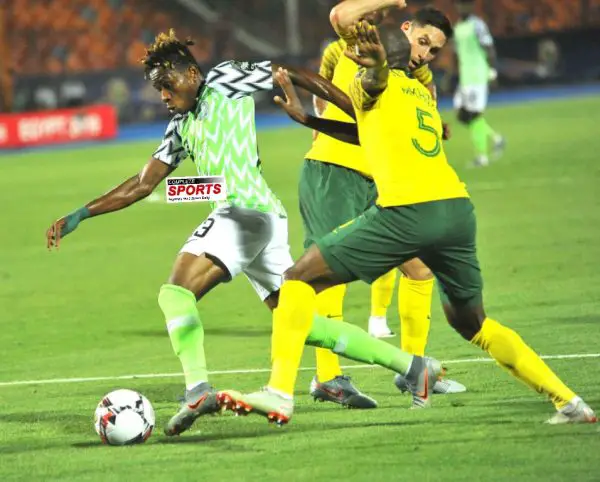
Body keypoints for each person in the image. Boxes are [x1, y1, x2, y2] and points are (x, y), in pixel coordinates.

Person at [44, 28, 448, 437]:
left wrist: (357, 113)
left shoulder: (224, 79)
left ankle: (197, 390)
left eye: (167, 85)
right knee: (302, 323)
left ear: (191, 74)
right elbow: (143, 184)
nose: (163, 96)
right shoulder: (180, 127)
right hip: (261, 219)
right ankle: (414, 367)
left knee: (175, 293)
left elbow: (292, 72)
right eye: (157, 90)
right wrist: (82, 213)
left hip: (245, 213)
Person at [217, 11, 597, 427]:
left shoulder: (371, 81)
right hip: (456, 211)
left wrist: (375, 68)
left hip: (407, 212)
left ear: (375, 55)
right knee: (474, 324)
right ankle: (569, 402)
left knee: (298, 279)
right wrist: (309, 119)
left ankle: (280, 392)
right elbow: (366, 130)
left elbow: (372, 83)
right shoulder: (422, 96)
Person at [453, 0, 505, 167]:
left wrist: (492, 71)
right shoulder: (457, 27)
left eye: (465, 4)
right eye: (460, 4)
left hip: (477, 76)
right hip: (465, 78)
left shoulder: (477, 25)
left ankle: (481, 157)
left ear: (471, 6)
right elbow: (458, 54)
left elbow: (489, 48)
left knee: (474, 115)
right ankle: (496, 138)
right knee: (462, 115)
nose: (462, 7)